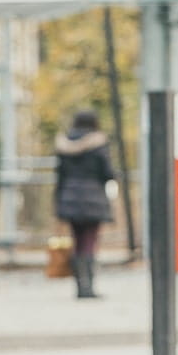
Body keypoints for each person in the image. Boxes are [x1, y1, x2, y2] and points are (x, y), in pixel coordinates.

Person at [53, 110, 116, 299]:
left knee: (77, 241)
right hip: (93, 198)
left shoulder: (64, 144)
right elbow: (108, 172)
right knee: (89, 242)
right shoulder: (99, 144)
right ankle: (88, 287)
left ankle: (80, 286)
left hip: (69, 197)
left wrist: (58, 201)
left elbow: (60, 175)